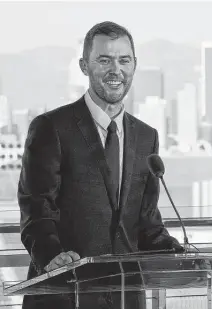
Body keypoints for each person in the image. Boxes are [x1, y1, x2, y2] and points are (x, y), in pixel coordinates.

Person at [18, 21, 184, 309]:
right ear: (84, 65)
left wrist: (186, 257)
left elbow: (146, 223)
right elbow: (36, 208)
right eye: (104, 60)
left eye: (124, 60)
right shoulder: (51, 128)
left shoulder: (147, 137)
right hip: (65, 294)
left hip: (126, 297)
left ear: (134, 65)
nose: (115, 70)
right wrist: (51, 255)